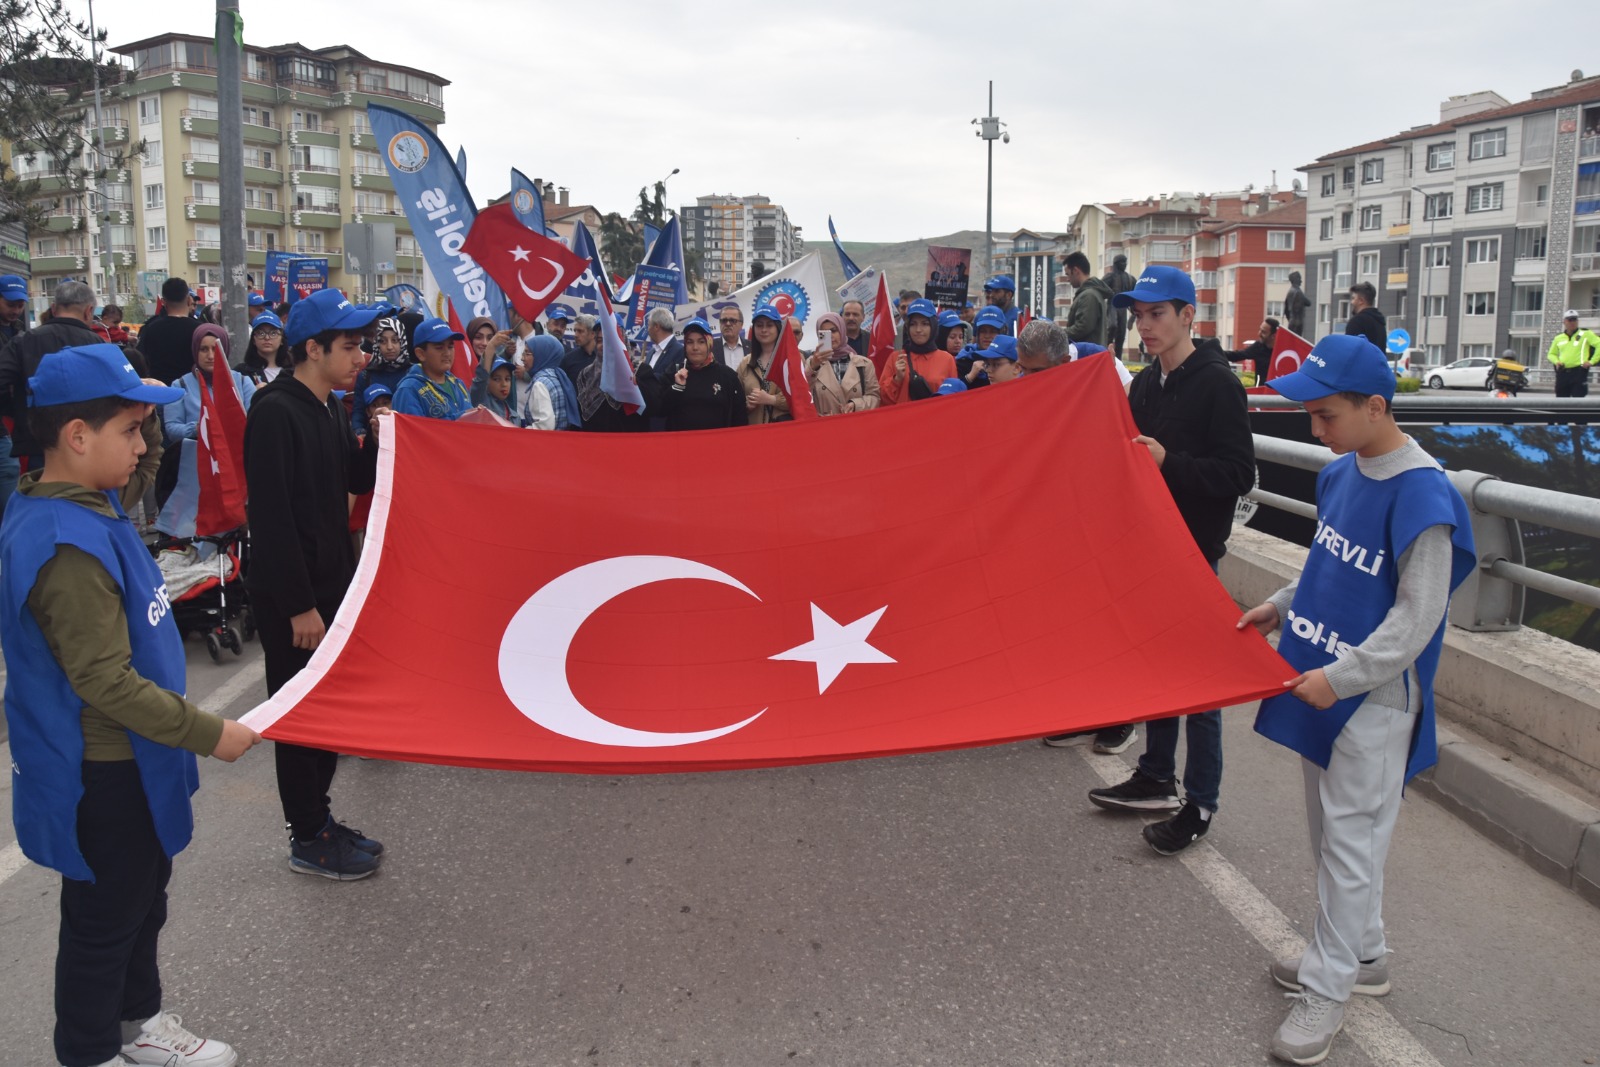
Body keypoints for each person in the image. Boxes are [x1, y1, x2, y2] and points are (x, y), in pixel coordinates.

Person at [2, 343, 260, 1067]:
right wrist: (211, 732)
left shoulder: (79, 499)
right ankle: (88, 1052)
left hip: (133, 753)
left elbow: (131, 474)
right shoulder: (65, 545)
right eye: (131, 430)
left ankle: (138, 1023)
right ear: (77, 437)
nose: (145, 447)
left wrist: (139, 426)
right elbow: (105, 682)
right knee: (104, 919)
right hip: (103, 766)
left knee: (142, 898)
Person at [1243, 334, 1474, 1066]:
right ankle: (1362, 953)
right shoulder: (1344, 470)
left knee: (1348, 845)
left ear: (1376, 406)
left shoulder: (1423, 492)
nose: (1315, 430)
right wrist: (1282, 603)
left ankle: (1330, 986)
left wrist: (1341, 677)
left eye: (1327, 415)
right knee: (1333, 836)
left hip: (1372, 700)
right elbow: (1330, 559)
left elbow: (1417, 616)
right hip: (1324, 677)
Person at [1080, 267, 1255, 854]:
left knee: (1198, 684)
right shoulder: (1145, 385)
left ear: (1187, 316)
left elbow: (1238, 476)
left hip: (1194, 553)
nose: (1144, 325)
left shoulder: (1218, 383)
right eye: (1138, 315)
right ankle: (1156, 773)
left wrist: (1169, 462)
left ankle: (1200, 802)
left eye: (1156, 314)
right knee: (1156, 669)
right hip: (1149, 548)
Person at [242, 287, 384, 881]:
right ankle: (306, 835)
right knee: (301, 719)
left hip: (331, 585)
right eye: (350, 346)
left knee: (325, 712)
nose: (362, 358)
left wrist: (378, 441)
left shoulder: (328, 407)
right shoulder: (275, 411)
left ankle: (321, 820)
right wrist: (299, 605)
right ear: (314, 348)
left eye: (362, 346)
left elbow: (349, 479)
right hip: (294, 598)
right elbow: (271, 518)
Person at [155, 324, 257, 540]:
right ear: (194, 350)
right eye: (203, 349)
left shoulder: (240, 381)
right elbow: (172, 429)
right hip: (196, 470)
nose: (210, 355)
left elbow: (250, 421)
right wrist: (203, 427)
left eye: (215, 349)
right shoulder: (180, 384)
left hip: (236, 468)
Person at [0, 279, 107, 473]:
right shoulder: (100, 346)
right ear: (88, 310)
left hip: (38, 443)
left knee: (41, 498)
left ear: (54, 308)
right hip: (87, 441)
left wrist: (18, 409)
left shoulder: (23, 341)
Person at [660, 318, 747, 431]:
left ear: (709, 344)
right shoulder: (674, 372)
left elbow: (740, 418)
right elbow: (660, 410)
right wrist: (677, 388)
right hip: (680, 445)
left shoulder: (727, 375)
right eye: (690, 342)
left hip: (717, 445)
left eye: (701, 342)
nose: (695, 347)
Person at [392, 318, 472, 421]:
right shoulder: (409, 389)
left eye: (450, 346)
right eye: (439, 348)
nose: (447, 353)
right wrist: (463, 417)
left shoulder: (458, 383)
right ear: (421, 354)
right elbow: (413, 432)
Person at [881, 299, 957, 405]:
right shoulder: (896, 358)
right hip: (902, 420)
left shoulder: (947, 359)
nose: (918, 329)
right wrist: (896, 379)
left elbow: (954, 399)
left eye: (925, 324)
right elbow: (883, 399)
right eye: (913, 324)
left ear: (933, 326)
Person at [806, 310, 879, 416]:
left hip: (857, 425)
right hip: (826, 427)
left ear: (842, 330)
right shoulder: (812, 363)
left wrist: (855, 405)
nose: (830, 337)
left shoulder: (864, 363)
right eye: (824, 333)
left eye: (834, 330)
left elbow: (874, 397)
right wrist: (813, 367)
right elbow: (802, 394)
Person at [351, 316, 413, 433]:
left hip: (407, 436)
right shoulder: (366, 376)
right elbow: (358, 412)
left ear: (403, 342)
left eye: (395, 340)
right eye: (383, 341)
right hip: (375, 439)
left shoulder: (413, 373)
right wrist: (360, 432)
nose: (389, 347)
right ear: (376, 344)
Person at [137, 278, 202, 385]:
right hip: (192, 393)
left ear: (163, 302)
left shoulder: (150, 329)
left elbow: (141, 359)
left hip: (160, 393)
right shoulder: (199, 330)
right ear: (189, 300)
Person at [737, 307, 792, 425]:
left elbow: (801, 397)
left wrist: (772, 400)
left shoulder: (791, 359)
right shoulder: (745, 363)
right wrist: (747, 405)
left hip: (785, 431)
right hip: (755, 433)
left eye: (769, 325)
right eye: (759, 325)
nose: (764, 330)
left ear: (778, 328)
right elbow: (736, 401)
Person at [517, 334, 582, 430]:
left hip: (546, 443)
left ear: (541, 355)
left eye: (527, 353)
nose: (522, 358)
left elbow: (544, 426)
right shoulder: (558, 377)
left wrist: (521, 432)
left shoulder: (540, 384)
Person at [1063, 251, 1113, 347]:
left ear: (1076, 271)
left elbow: (1083, 328)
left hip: (1087, 355)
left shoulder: (1089, 295)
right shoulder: (1090, 293)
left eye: (1068, 274)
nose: (1067, 279)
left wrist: (1058, 333)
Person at [1548, 310, 1599, 398]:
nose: (1572, 322)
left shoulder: (1585, 334)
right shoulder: (1558, 338)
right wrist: (1556, 361)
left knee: (1578, 399)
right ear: (1564, 322)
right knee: (1561, 399)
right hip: (1563, 372)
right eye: (1569, 320)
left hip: (1579, 371)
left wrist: (1592, 361)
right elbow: (1551, 354)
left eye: (1574, 319)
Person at [235, 311, 287, 386]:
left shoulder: (294, 370)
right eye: (261, 333)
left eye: (273, 333)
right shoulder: (242, 372)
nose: (267, 338)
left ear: (282, 339)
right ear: (253, 339)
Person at [1103, 254, 1138, 358]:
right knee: (1113, 325)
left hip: (1123, 307)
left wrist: (1132, 317)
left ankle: (1118, 359)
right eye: (1122, 262)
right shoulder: (1110, 276)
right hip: (1112, 304)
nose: (1125, 264)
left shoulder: (1130, 278)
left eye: (1126, 262)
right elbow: (1099, 287)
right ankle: (1106, 348)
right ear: (1116, 264)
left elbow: (1136, 297)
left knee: (1121, 334)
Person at [1343, 282, 1386, 353]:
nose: (1351, 302)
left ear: (1361, 301)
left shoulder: (1357, 322)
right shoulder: (1379, 321)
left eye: (1353, 298)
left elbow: (1349, 351)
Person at [483, 356, 521, 425]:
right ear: (487, 381)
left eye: (507, 379)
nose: (504, 384)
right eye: (497, 379)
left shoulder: (515, 417)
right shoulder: (482, 404)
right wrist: (491, 347)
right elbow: (479, 380)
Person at [712, 304, 746, 371]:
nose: (728, 324)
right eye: (724, 320)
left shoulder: (752, 347)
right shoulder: (710, 347)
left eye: (732, 321)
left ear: (741, 325)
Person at [1284, 271, 1311, 338]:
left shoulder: (1289, 292)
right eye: (1299, 278)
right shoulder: (1298, 291)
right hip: (1298, 322)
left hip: (1291, 321)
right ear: (1295, 279)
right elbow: (1308, 303)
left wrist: (1290, 319)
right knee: (1296, 342)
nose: (1301, 281)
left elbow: (1286, 310)